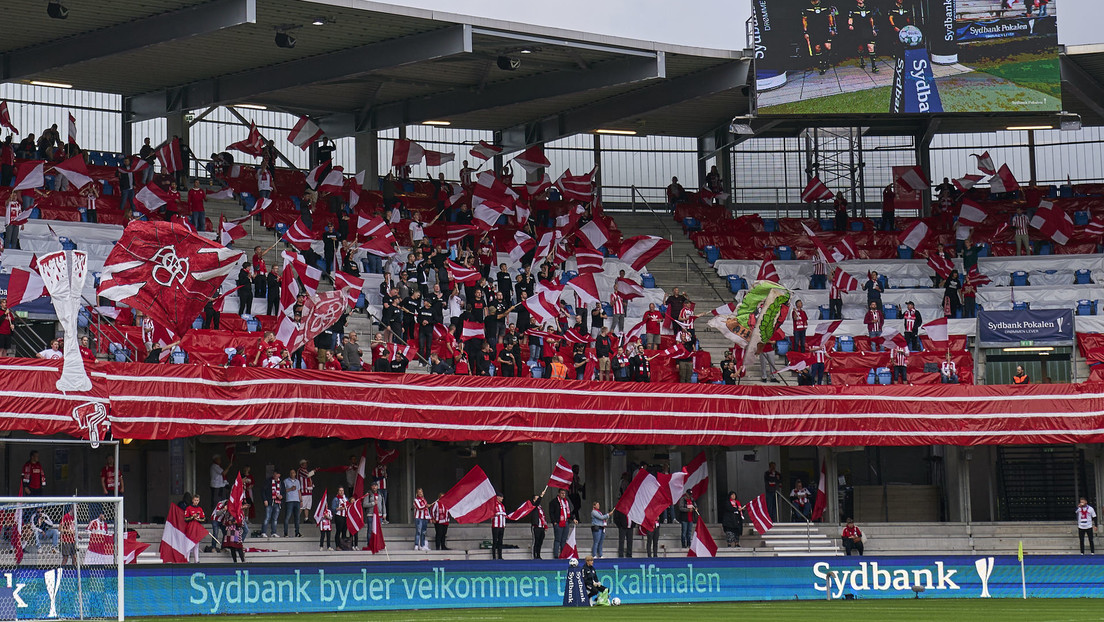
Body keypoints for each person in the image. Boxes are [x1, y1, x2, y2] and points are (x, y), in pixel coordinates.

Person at [803, 0, 837, 75]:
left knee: (828, 47)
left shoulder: (825, 4)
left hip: (824, 29)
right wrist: (805, 32)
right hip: (813, 30)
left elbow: (830, 16)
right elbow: (804, 19)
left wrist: (832, 28)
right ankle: (821, 65)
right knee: (817, 48)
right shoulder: (806, 6)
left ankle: (826, 61)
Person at [848, 0, 879, 72]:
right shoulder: (853, 9)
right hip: (858, 30)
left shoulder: (868, 8)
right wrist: (850, 25)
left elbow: (871, 19)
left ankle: (874, 66)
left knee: (871, 47)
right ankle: (862, 59)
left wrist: (873, 29)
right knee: (860, 47)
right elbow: (850, 18)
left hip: (868, 30)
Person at [549, 488, 576, 557]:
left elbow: (569, 512)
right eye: (562, 493)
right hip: (558, 522)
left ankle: (563, 554)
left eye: (564, 493)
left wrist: (573, 519)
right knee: (558, 539)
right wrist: (554, 522)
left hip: (566, 522)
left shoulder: (566, 502)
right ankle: (556, 555)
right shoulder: (554, 502)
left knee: (564, 539)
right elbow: (551, 513)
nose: (563, 495)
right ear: (558, 493)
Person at [184, 495, 206, 562]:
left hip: (197, 529)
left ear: (199, 501)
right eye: (195, 500)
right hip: (190, 529)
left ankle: (197, 560)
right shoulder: (188, 508)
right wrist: (192, 517)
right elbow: (185, 519)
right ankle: (187, 560)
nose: (196, 502)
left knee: (196, 545)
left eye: (197, 500)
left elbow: (204, 519)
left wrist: (198, 519)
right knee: (189, 544)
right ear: (192, 500)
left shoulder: (200, 509)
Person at [262, 468, 282, 538]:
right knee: (267, 517)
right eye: (274, 474)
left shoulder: (281, 483)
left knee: (275, 519)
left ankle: (273, 532)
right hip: (269, 502)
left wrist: (281, 496)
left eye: (277, 474)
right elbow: (263, 491)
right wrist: (265, 500)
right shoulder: (268, 481)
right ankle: (263, 532)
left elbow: (283, 493)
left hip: (277, 503)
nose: (276, 475)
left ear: (279, 475)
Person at [283, 466, 301, 538]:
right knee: (287, 517)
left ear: (295, 474)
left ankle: (297, 532)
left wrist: (301, 500)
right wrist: (290, 489)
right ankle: (286, 533)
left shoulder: (297, 481)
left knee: (297, 517)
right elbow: (283, 491)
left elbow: (299, 491)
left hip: (297, 501)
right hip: (289, 501)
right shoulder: (286, 481)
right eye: (291, 473)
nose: (292, 474)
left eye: (293, 473)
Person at [528, 493, 547, 558]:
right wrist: (541, 496)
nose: (539, 500)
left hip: (541, 526)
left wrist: (545, 526)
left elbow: (543, 517)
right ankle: (534, 556)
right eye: (537, 498)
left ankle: (538, 555)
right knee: (535, 541)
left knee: (540, 541)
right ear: (534, 500)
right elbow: (536, 503)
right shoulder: (533, 506)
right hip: (536, 526)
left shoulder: (540, 507)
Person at [491, 493, 506, 560]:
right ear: (498, 497)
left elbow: (504, 515)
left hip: (501, 526)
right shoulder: (494, 504)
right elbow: (491, 514)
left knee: (500, 541)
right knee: (495, 541)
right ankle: (494, 556)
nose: (502, 498)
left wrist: (504, 524)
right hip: (496, 525)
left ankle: (500, 556)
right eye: (501, 497)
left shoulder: (502, 506)